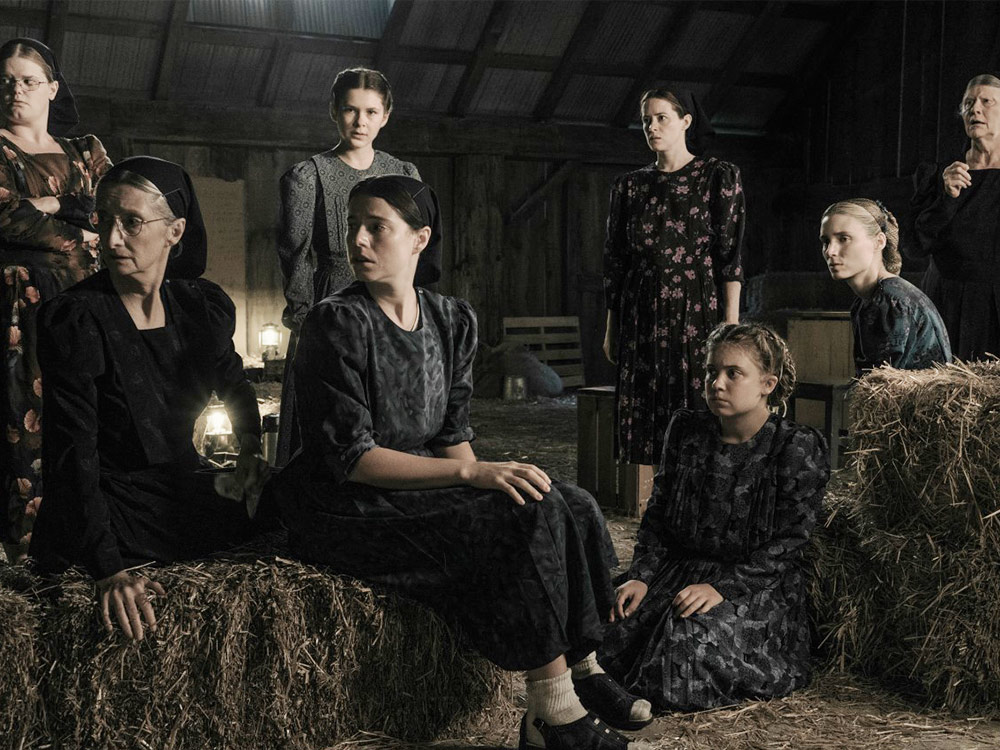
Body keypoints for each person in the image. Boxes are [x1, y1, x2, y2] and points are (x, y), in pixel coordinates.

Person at [273, 175, 651, 750]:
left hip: (417, 483)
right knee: (515, 517)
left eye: (377, 226)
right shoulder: (336, 323)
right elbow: (352, 458)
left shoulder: (451, 320)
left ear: (420, 239)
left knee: (566, 500)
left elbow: (451, 435)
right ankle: (551, 711)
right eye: (353, 226)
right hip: (348, 501)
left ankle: (587, 667)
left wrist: (493, 480)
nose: (358, 240)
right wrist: (473, 476)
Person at [28, 157, 269, 641]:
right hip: (105, 503)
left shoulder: (198, 306)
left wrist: (250, 453)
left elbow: (235, 384)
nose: (112, 240)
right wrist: (108, 569)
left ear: (174, 231)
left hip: (175, 489)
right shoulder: (77, 320)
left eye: (132, 223)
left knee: (289, 506)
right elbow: (74, 453)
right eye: (104, 221)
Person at [599, 322, 830, 712]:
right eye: (710, 372)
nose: (716, 384)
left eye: (732, 373)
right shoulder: (687, 429)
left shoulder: (796, 446)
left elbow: (791, 541)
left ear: (767, 384)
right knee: (605, 622)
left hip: (753, 584)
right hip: (680, 568)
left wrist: (723, 588)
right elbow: (657, 515)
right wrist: (641, 574)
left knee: (682, 647)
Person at [275, 67, 422, 467]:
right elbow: (294, 251)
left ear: (386, 115)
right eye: (350, 110)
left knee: (387, 404)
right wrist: (306, 320)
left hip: (389, 303)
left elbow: (414, 249)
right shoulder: (309, 176)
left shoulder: (404, 174)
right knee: (327, 410)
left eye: (371, 112)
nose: (361, 122)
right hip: (331, 300)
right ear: (333, 112)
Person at [0, 38, 110, 563]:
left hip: (85, 301)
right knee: (25, 421)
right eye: (5, 80)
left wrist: (47, 203)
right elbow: (3, 217)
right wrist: (71, 219)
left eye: (27, 80)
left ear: (52, 89)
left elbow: (108, 210)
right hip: (18, 310)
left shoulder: (84, 150)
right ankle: (23, 553)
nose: (14, 90)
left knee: (87, 417)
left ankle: (92, 542)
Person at [603, 86, 745, 467]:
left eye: (661, 117)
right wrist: (611, 326)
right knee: (645, 408)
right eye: (646, 120)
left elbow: (729, 257)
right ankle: (654, 500)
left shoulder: (718, 176)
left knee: (696, 402)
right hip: (640, 309)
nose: (652, 127)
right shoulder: (629, 186)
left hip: (695, 308)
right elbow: (615, 261)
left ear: (686, 121)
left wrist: (730, 326)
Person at [909, 73, 1000, 360]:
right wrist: (946, 198)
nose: (975, 109)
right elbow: (915, 246)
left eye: (987, 102)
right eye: (968, 103)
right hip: (945, 299)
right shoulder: (939, 174)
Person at [822, 198, 951, 377]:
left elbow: (880, 388)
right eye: (826, 241)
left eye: (844, 238)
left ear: (879, 242)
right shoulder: (867, 301)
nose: (830, 251)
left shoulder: (891, 301)